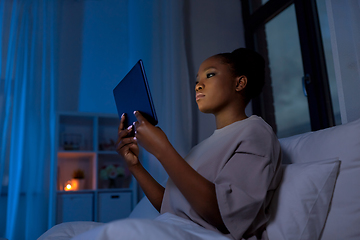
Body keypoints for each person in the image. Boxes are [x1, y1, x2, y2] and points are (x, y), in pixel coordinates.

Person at [116, 48, 283, 240]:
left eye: (209, 75)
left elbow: (223, 214)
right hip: (174, 229)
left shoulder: (256, 132)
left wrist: (163, 150)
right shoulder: (201, 148)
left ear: (240, 83)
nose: (198, 86)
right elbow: (171, 206)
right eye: (196, 81)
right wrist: (135, 166)